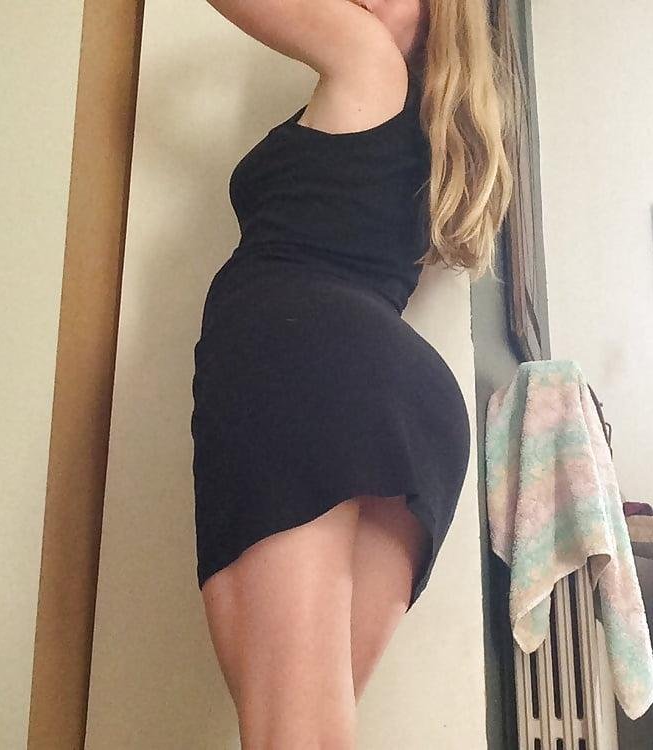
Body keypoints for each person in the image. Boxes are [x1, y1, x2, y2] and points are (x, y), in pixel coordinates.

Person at [192, 0, 513, 746]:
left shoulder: (367, 58)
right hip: (414, 408)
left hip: (296, 357)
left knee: (290, 734)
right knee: (313, 732)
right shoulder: (436, 122)